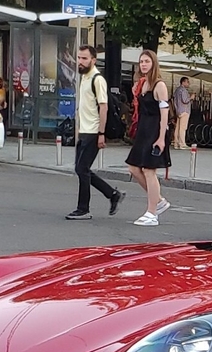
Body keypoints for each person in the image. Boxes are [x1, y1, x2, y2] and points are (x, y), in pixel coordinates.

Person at [65, 44, 123, 219]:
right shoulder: (84, 77)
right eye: (79, 58)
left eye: (84, 58)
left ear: (93, 60)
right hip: (83, 131)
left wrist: (101, 133)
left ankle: (84, 209)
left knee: (82, 169)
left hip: (93, 132)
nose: (80, 61)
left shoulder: (97, 79)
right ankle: (112, 194)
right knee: (81, 169)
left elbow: (103, 107)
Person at [123, 49, 173, 225]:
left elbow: (164, 114)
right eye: (141, 61)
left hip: (155, 130)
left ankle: (152, 212)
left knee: (149, 170)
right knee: (134, 168)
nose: (143, 64)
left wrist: (161, 138)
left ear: (153, 64)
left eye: (147, 61)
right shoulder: (142, 84)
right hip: (143, 130)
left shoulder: (159, 85)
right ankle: (158, 200)